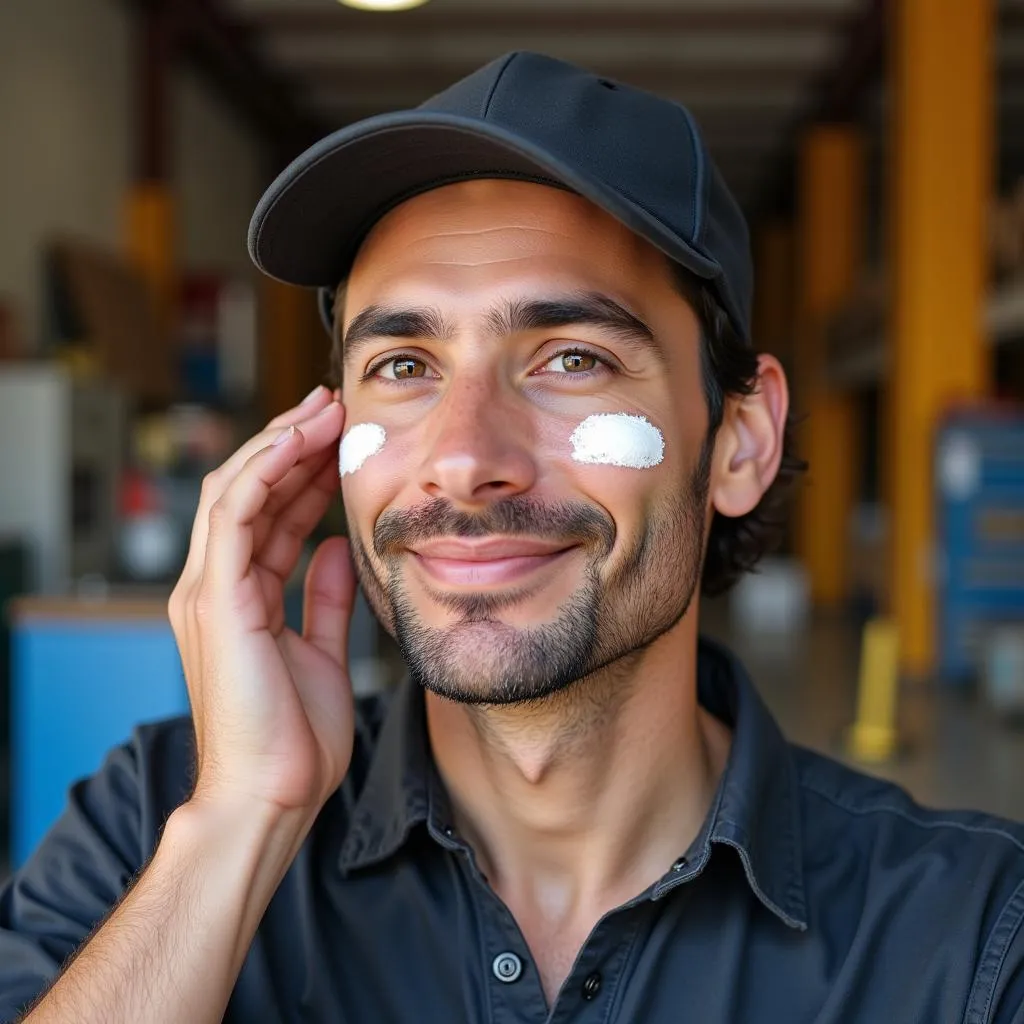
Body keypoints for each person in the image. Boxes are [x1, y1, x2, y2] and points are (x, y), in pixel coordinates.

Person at [1, 51, 1022, 1024]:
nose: (460, 456)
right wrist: (238, 827)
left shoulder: (967, 935)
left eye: (570, 357)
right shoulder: (152, 827)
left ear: (738, 441)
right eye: (403, 365)